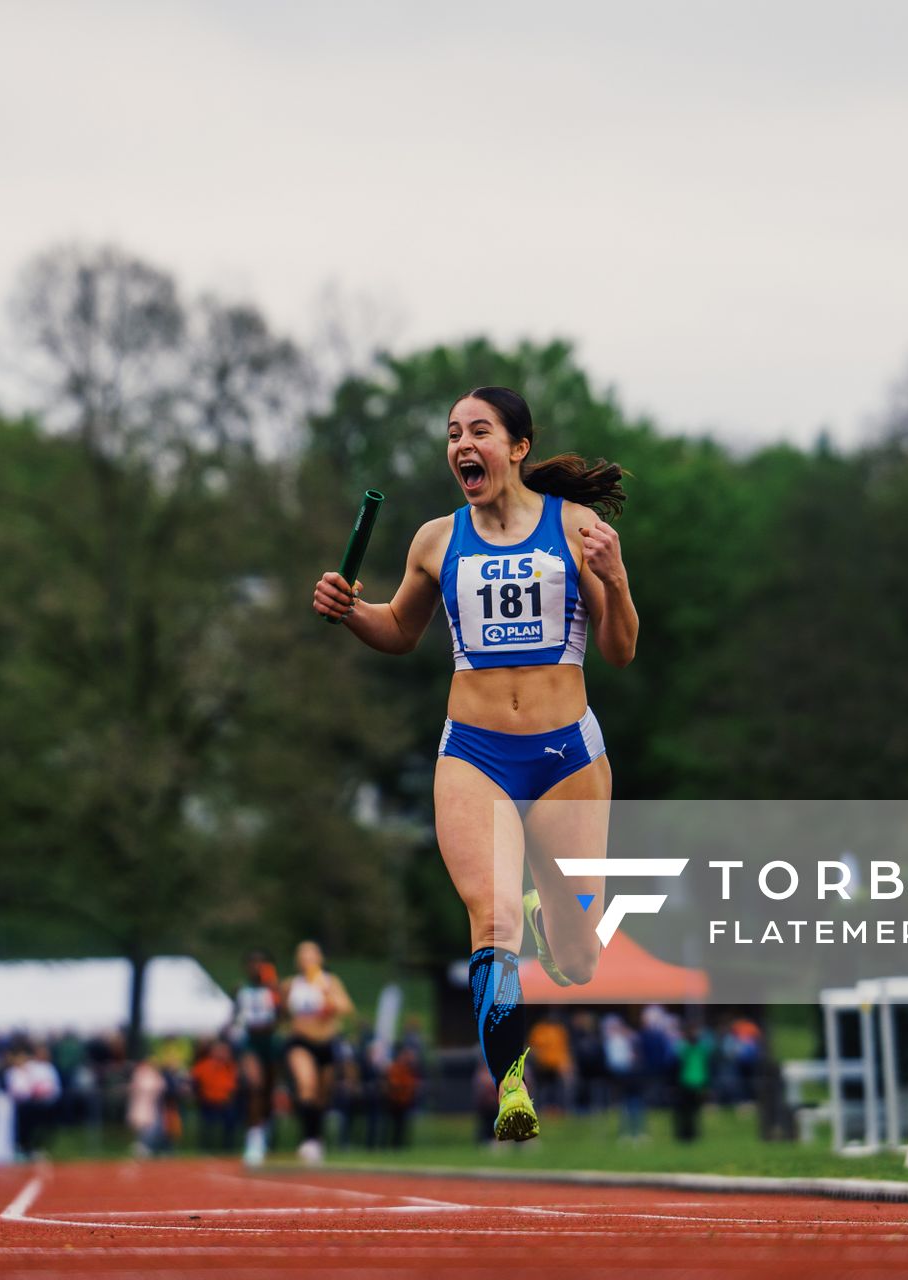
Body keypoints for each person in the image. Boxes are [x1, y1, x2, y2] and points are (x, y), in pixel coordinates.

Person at [312, 386, 638, 1144]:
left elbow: (620, 652)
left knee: (581, 961)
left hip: (566, 758)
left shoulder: (578, 528)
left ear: (517, 447)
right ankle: (513, 1088)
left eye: (480, 431)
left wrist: (617, 580)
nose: (463, 443)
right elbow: (397, 628)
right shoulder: (434, 540)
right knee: (488, 920)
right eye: (453, 432)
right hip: (474, 754)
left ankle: (549, 913)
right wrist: (347, 610)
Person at [280, 940, 352, 1164]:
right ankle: (308, 1139)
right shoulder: (291, 985)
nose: (307, 960)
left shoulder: (330, 982)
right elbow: (281, 1012)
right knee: (306, 1085)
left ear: (320, 959)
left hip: (326, 1043)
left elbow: (346, 1008)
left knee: (322, 1095)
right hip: (300, 1042)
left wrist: (326, 995)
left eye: (312, 956)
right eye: (303, 956)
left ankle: (316, 1138)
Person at [232, 949, 282, 1166]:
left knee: (268, 1091)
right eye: (252, 963)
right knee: (255, 1086)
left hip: (270, 1042)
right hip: (250, 1043)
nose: (256, 967)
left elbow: (282, 1015)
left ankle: (264, 1127)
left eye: (260, 963)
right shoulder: (241, 990)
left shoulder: (275, 990)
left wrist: (275, 991)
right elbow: (235, 1018)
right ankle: (254, 1137)